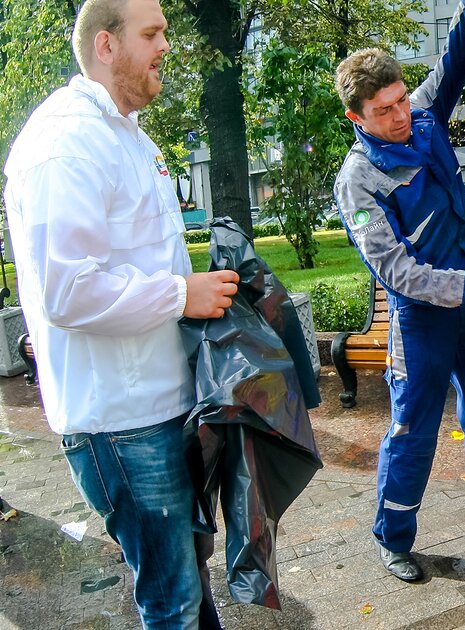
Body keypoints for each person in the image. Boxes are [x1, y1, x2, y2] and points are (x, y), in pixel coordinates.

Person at [2, 0, 239, 626]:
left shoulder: (130, 136)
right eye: (152, 33)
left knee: (189, 589)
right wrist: (180, 294)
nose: (167, 46)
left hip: (161, 409)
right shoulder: (65, 143)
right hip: (121, 421)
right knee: (173, 601)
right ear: (106, 46)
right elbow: (67, 290)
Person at [333, 12, 465, 583]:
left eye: (401, 100)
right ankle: (393, 538)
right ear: (357, 117)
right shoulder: (358, 180)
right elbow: (398, 272)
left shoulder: (423, 113)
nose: (400, 116)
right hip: (420, 320)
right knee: (413, 434)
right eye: (383, 111)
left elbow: (454, 62)